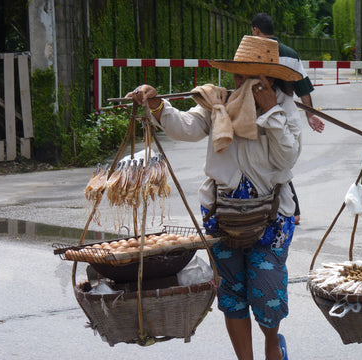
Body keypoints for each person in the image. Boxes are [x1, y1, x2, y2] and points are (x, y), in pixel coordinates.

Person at [127, 35, 301, 360]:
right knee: (232, 296)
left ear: (270, 77)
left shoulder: (285, 109)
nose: (243, 82)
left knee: (267, 293)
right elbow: (186, 128)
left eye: (253, 75)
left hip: (272, 219)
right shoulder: (218, 104)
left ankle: (272, 346)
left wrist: (271, 111)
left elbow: (286, 159)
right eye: (239, 75)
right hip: (221, 217)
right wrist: (157, 105)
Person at [252, 12, 325, 226]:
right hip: (286, 119)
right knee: (280, 163)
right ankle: (293, 211)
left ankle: (284, 210)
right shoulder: (290, 54)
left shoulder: (251, 52)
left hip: (259, 117)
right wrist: (310, 116)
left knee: (264, 165)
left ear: (256, 30)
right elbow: (303, 87)